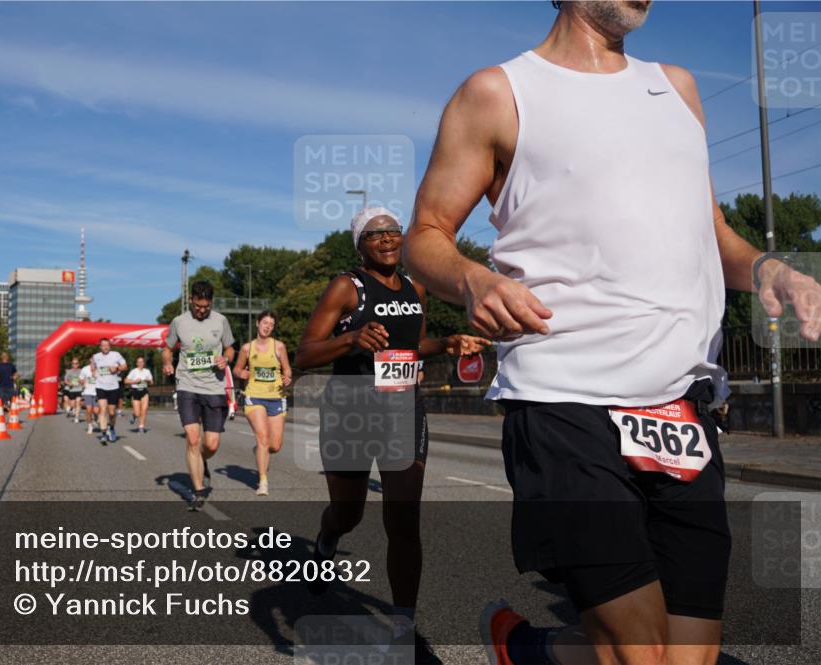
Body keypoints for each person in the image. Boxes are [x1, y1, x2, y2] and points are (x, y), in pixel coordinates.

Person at [402, 3, 821, 665]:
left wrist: (773, 269)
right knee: (639, 653)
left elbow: (712, 234)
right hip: (565, 394)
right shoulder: (498, 93)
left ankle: (529, 649)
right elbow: (422, 237)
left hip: (682, 405)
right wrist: (471, 280)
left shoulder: (677, 88)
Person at [295, 207, 490, 664]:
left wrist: (446, 343)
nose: (387, 239)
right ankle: (327, 541)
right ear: (360, 243)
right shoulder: (347, 287)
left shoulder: (415, 287)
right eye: (375, 234)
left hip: (402, 408)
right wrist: (351, 339)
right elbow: (304, 354)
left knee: (403, 519)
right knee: (348, 512)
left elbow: (409, 347)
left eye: (393, 232)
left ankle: (403, 624)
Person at [162, 280, 235, 511]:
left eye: (206, 306)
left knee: (211, 444)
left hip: (214, 387)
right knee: (193, 439)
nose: (202, 310)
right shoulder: (179, 322)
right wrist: (167, 363)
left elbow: (230, 347)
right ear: (191, 299)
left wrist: (226, 357)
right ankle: (198, 490)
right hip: (187, 385)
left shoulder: (221, 320)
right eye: (198, 305)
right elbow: (167, 348)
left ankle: (202, 461)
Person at [233, 310, 293, 496]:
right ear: (257, 323)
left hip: (276, 397)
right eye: (265, 322)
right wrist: (240, 373)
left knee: (274, 445)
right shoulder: (246, 348)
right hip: (254, 396)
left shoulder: (279, 347)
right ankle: (263, 481)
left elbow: (288, 370)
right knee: (263, 438)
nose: (267, 326)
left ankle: (260, 450)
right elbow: (236, 368)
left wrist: (287, 377)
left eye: (271, 324)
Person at [91, 338, 127, 444]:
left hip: (113, 387)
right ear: (100, 346)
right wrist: (94, 373)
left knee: (111, 412)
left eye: (107, 345)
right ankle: (103, 434)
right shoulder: (96, 357)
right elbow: (93, 368)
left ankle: (111, 427)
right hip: (100, 386)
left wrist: (117, 368)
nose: (105, 347)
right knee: (102, 409)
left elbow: (125, 366)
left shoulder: (116, 355)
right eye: (103, 345)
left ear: (110, 346)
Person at [125, 356, 153, 433]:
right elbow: (126, 381)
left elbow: (152, 382)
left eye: (142, 362)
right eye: (139, 362)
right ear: (137, 363)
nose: (140, 363)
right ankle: (134, 416)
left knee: (144, 410)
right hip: (135, 391)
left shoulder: (147, 371)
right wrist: (134, 382)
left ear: (144, 363)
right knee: (137, 413)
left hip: (144, 391)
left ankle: (141, 426)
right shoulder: (133, 371)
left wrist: (148, 380)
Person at [78, 362, 99, 434]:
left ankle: (95, 419)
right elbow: (80, 379)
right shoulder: (85, 369)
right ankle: (90, 425)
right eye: (92, 359)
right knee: (89, 409)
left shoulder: (100, 368)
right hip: (87, 392)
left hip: (97, 392)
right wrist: (82, 382)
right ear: (90, 360)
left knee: (96, 411)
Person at [63, 358, 84, 422]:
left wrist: (82, 382)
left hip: (79, 389)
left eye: (76, 363)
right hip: (72, 390)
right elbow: (65, 380)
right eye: (74, 364)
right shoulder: (69, 372)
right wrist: (69, 383)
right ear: (72, 365)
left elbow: (84, 379)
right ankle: (71, 409)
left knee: (78, 402)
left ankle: (76, 418)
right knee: (72, 404)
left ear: (78, 364)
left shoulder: (81, 371)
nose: (75, 365)